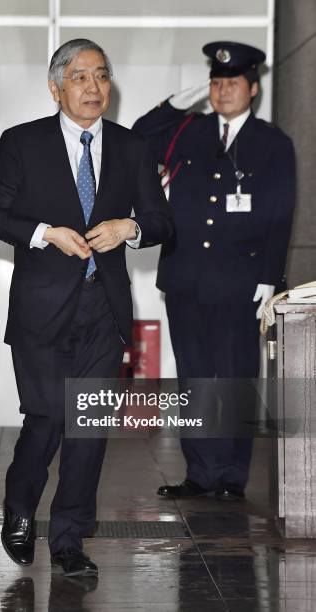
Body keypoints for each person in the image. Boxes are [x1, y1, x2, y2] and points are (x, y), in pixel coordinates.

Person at [0, 38, 171, 576]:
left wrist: (128, 227)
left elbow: (160, 219)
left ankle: (68, 539)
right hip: (41, 309)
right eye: (81, 77)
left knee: (88, 426)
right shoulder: (23, 143)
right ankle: (19, 508)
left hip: (103, 310)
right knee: (48, 418)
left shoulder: (131, 148)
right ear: (55, 85)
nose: (93, 87)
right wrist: (43, 234)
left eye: (102, 76)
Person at [133, 41, 295, 501]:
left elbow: (280, 213)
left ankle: (230, 476)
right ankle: (200, 474)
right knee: (195, 378)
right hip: (186, 278)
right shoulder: (190, 131)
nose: (223, 91)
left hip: (241, 283)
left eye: (233, 84)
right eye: (216, 84)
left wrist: (269, 277)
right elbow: (141, 135)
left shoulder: (271, 143)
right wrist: (179, 102)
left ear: (253, 88)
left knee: (235, 377)